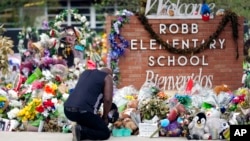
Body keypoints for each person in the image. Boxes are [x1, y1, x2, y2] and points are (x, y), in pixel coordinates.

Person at [64, 67, 113, 141]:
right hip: (84, 111)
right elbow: (108, 99)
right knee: (105, 132)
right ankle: (81, 131)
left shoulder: (85, 73)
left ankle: (79, 129)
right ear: (110, 75)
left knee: (90, 121)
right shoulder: (107, 77)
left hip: (68, 110)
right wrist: (105, 117)